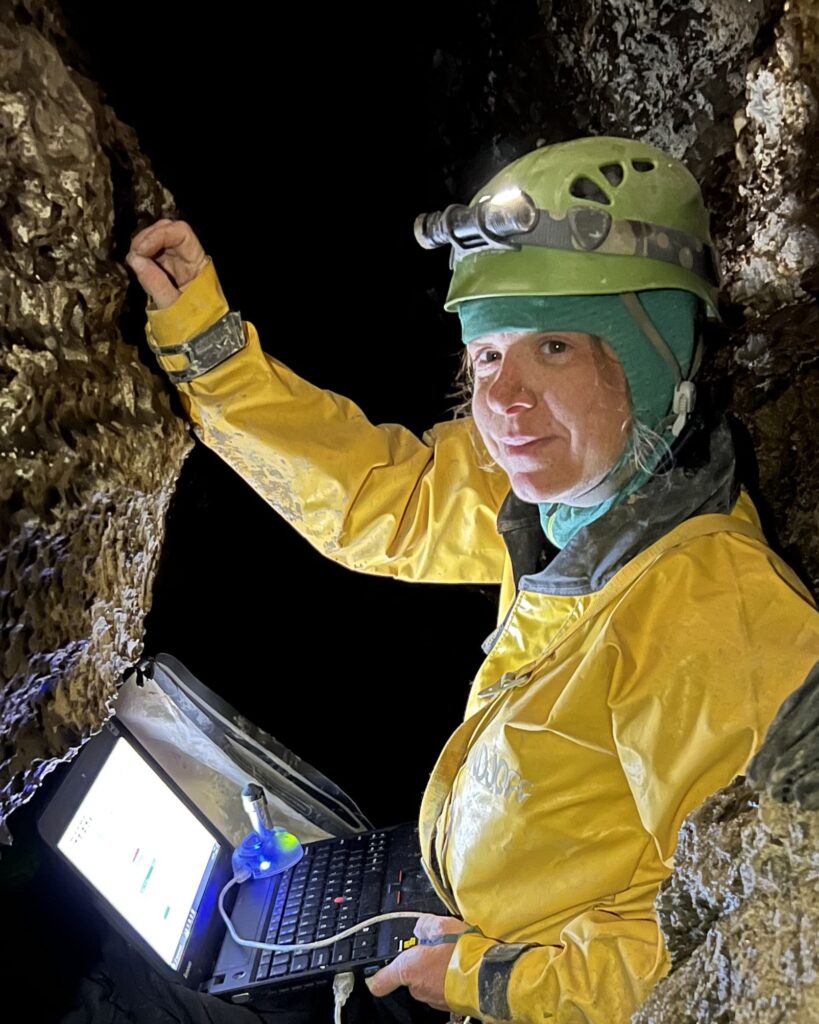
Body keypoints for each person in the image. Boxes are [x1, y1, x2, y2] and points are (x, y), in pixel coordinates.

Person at [126, 136, 819, 1023]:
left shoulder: (717, 619)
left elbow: (743, 956)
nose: (505, 401)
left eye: (556, 347)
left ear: (653, 358)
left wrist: (485, 979)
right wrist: (211, 349)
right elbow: (382, 496)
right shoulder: (561, 504)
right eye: (487, 356)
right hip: (477, 941)